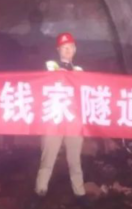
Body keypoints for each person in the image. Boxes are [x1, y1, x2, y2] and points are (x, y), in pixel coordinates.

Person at [30, 32, 88, 209]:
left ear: (75, 49)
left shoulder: (80, 71)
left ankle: (80, 193)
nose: (68, 50)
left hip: (73, 122)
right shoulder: (50, 66)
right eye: (64, 47)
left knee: (75, 160)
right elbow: (42, 82)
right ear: (58, 50)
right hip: (53, 120)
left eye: (70, 47)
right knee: (47, 159)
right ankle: (39, 192)